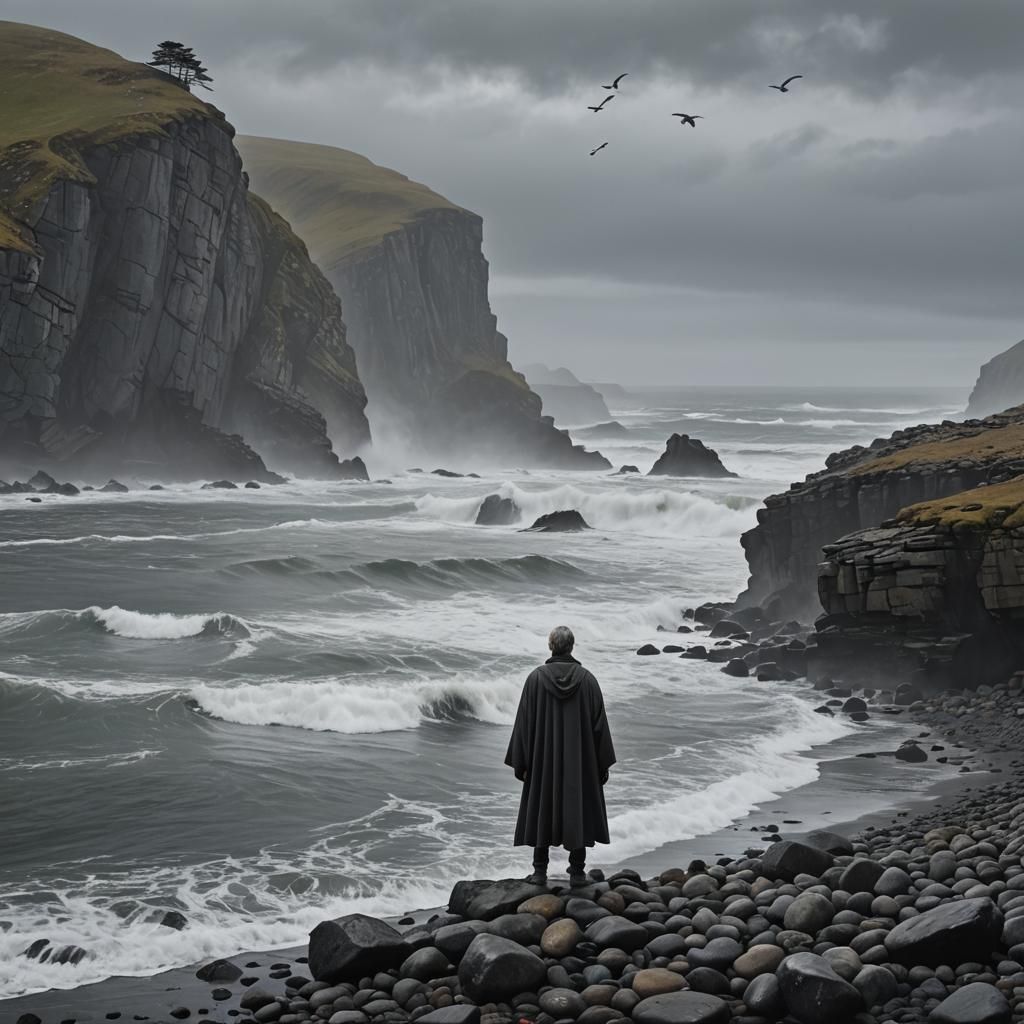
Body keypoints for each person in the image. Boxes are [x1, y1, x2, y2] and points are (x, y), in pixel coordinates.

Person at [505, 625, 616, 886]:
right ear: (572, 646)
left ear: (550, 646)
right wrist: (601, 765)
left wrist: (521, 762)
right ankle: (577, 872)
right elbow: (599, 725)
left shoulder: (535, 679)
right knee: (578, 808)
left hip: (543, 761)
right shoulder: (588, 680)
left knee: (543, 807)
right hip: (580, 762)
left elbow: (524, 724)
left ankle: (539, 871)